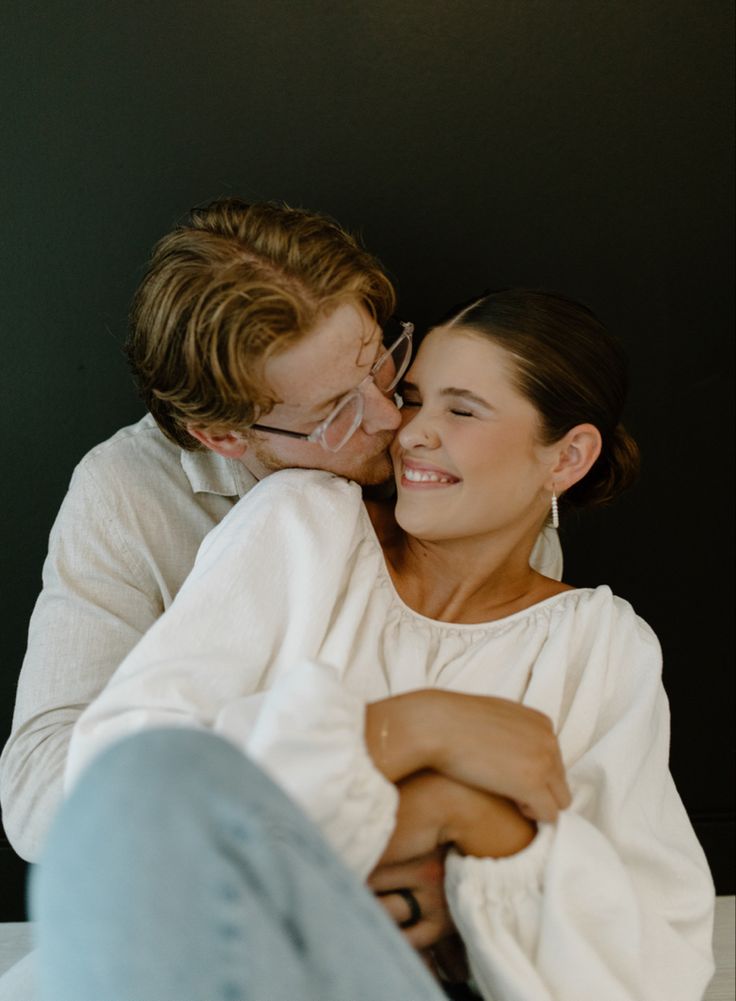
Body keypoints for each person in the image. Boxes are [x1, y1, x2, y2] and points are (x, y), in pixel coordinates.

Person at [36, 289, 714, 1000]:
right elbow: (123, 782)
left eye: (462, 408)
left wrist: (472, 821)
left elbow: (657, 953)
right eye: (414, 397)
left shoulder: (602, 646)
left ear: (567, 456)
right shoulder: (303, 524)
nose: (411, 430)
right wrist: (404, 731)